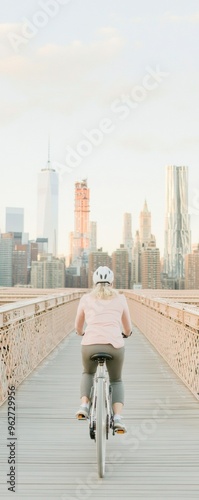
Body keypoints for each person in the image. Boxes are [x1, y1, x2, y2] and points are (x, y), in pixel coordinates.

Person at [75, 265, 132, 433]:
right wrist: (126, 334)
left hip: (90, 344)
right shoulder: (121, 299)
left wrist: (82, 332)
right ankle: (118, 419)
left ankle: (84, 406)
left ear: (94, 282)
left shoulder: (86, 299)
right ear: (112, 282)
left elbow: (77, 327)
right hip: (114, 345)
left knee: (88, 372)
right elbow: (128, 328)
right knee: (116, 380)